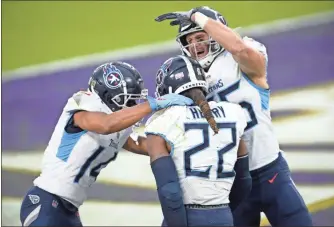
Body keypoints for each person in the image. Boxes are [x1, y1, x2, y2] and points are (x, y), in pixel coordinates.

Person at [155, 6, 313, 226]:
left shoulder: (240, 56)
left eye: (200, 37)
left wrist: (197, 16)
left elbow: (238, 48)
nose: (195, 45)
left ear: (218, 33)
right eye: (188, 40)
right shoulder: (188, 75)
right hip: (233, 180)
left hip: (270, 169)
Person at [19, 61, 194, 227]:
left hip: (69, 209)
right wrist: (153, 105)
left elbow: (143, 145)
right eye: (129, 100)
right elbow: (105, 125)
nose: (134, 106)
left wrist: (181, 141)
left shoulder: (116, 124)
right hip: (46, 201)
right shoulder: (83, 108)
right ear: (109, 96)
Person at [144, 55, 249, 226]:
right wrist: (220, 211)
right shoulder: (234, 113)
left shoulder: (163, 121)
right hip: (223, 216)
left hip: (187, 216)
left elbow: (170, 192)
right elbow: (244, 180)